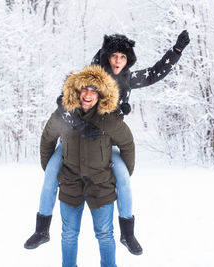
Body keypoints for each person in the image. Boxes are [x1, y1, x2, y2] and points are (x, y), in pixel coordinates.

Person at [24, 30, 190, 255]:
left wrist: (176, 51)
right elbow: (63, 101)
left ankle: (127, 233)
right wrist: (80, 125)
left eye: (123, 57)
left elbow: (153, 74)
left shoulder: (128, 78)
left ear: (128, 59)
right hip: (74, 141)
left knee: (122, 177)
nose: (118, 61)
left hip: (106, 144)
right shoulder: (93, 74)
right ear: (106, 57)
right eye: (114, 56)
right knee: (51, 171)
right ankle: (42, 229)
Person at [40, 64, 135, 267]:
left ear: (100, 94)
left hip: (101, 187)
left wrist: (120, 173)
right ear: (77, 91)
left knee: (105, 235)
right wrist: (53, 172)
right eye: (84, 89)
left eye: (94, 90)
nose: (88, 94)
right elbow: (47, 139)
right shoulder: (62, 116)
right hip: (70, 185)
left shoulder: (108, 119)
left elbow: (127, 143)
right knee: (68, 235)